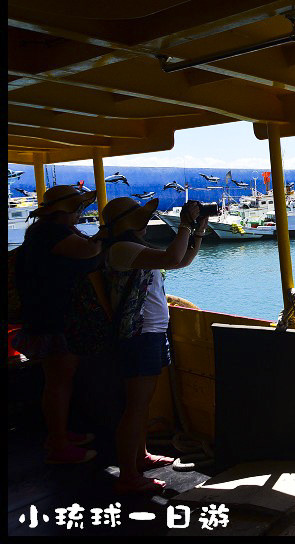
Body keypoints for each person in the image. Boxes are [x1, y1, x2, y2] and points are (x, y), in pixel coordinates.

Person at [101, 197, 209, 494]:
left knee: (142, 403)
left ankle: (141, 456)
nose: (146, 221)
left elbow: (181, 260)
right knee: (135, 407)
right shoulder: (121, 249)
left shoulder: (135, 250)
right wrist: (185, 224)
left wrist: (197, 232)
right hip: (138, 334)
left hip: (149, 331)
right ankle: (128, 476)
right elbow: (174, 258)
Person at [13, 185, 103, 464]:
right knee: (58, 381)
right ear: (67, 210)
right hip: (53, 317)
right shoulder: (50, 233)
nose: (80, 213)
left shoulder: (41, 232)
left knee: (58, 380)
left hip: (48, 314)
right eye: (78, 208)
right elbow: (90, 252)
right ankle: (59, 444)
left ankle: (59, 433)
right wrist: (108, 231)